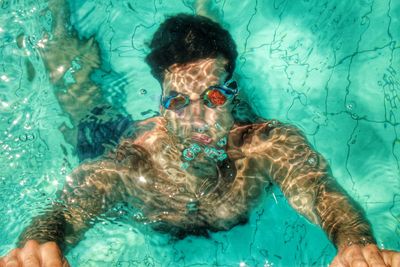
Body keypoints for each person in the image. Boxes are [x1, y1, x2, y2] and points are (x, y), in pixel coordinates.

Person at [1, 6, 400, 267]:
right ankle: (56, 12)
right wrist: (40, 243)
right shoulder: (131, 160)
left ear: (231, 94)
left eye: (213, 96)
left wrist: (353, 244)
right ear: (160, 104)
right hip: (114, 131)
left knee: (211, 38)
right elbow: (71, 208)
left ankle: (205, 11)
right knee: (77, 90)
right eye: (177, 100)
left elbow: (319, 194)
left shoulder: (265, 144)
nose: (197, 118)